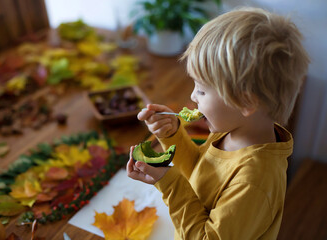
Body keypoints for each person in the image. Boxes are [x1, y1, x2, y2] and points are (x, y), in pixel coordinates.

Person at [127, 7, 310, 240]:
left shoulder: (254, 182)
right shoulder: (233, 132)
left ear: (246, 102)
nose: (193, 97)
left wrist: (169, 184)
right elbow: (200, 173)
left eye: (201, 90)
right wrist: (173, 136)